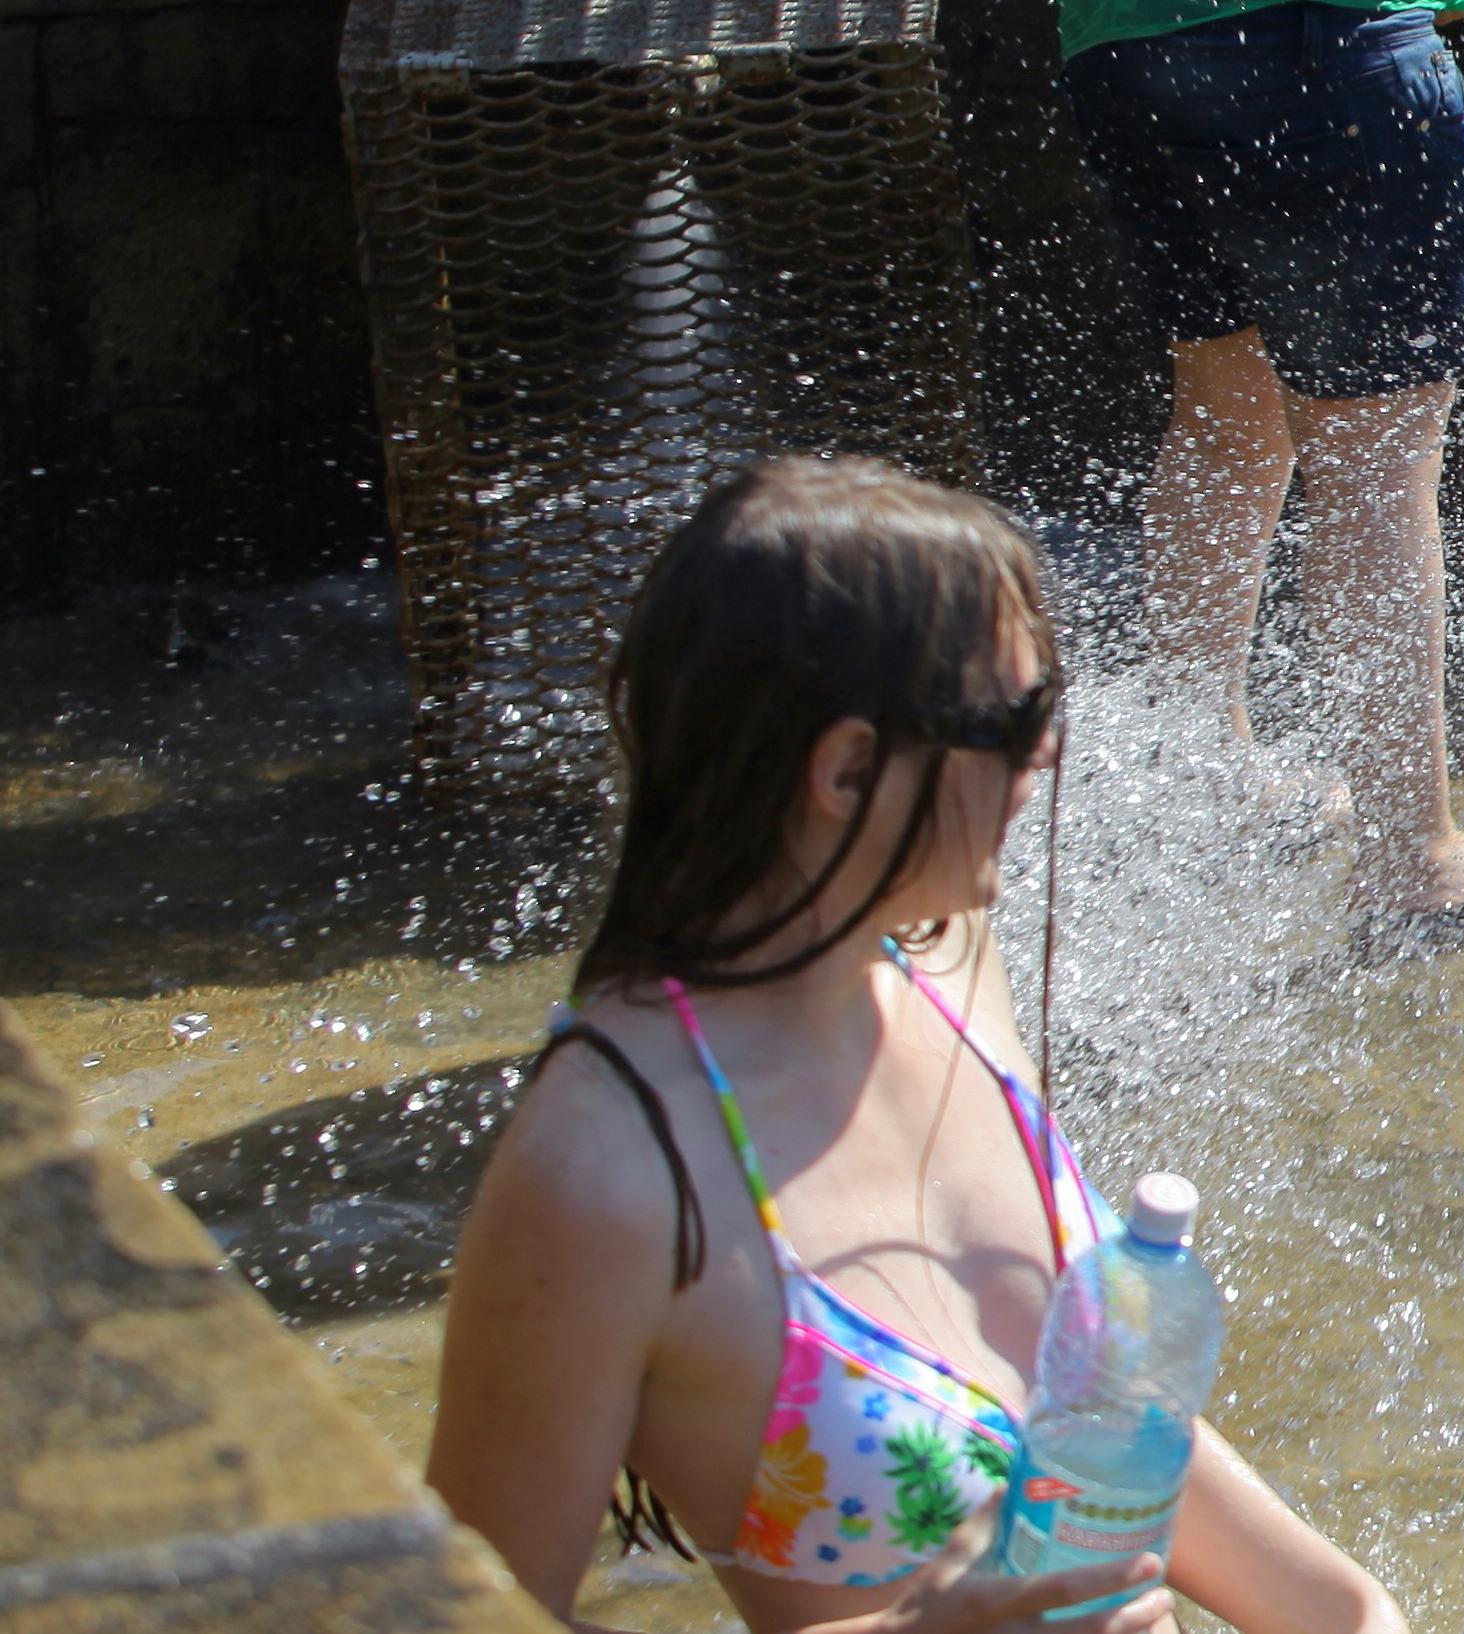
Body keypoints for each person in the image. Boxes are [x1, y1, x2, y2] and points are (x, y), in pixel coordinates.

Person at [424, 459, 1409, 1634]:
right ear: (844, 770)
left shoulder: (947, 963)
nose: (1046, 758)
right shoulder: (607, 1171)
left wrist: (1347, 1609)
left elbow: (1098, 1432)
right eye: (1014, 722)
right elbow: (454, 1617)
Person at [1056, 0, 1464, 954]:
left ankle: (1213, 774)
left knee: (1225, 412)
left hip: (1120, 46)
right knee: (1376, 462)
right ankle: (1415, 860)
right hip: (1319, 42)